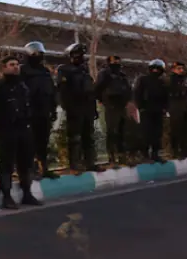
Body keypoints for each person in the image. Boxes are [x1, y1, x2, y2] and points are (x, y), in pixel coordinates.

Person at [0, 56, 42, 209]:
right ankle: (7, 196)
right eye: (11, 65)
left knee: (26, 162)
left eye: (17, 64)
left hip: (24, 129)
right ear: (4, 68)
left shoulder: (23, 86)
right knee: (7, 163)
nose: (15, 67)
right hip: (7, 131)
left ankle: (27, 193)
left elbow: (30, 106)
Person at [56, 43, 103, 173]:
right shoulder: (64, 69)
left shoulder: (84, 70)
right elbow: (62, 91)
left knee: (89, 137)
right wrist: (68, 107)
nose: (80, 57)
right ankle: (75, 164)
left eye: (81, 55)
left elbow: (90, 91)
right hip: (74, 108)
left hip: (87, 108)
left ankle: (90, 162)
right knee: (75, 138)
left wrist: (93, 109)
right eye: (77, 55)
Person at [20, 41, 59, 179]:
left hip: (45, 110)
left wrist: (53, 108)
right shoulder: (23, 70)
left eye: (40, 53)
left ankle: (44, 168)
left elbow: (52, 91)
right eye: (36, 53)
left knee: (43, 141)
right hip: (31, 111)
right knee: (30, 142)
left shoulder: (45, 71)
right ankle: (31, 168)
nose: (39, 56)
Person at [94, 55, 132, 166]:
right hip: (111, 105)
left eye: (118, 61)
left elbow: (128, 89)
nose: (117, 63)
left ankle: (122, 155)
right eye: (114, 61)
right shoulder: (105, 74)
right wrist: (102, 100)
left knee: (122, 131)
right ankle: (112, 157)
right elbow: (97, 88)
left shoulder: (122, 75)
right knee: (112, 132)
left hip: (122, 106)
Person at [133, 59, 169, 163]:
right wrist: (141, 107)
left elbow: (165, 97)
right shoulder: (143, 80)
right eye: (154, 68)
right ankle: (144, 155)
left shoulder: (162, 82)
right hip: (146, 110)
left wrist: (164, 108)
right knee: (146, 133)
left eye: (158, 69)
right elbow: (137, 94)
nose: (155, 71)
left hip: (158, 111)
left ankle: (155, 154)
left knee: (157, 134)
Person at [166, 61, 187, 158]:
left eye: (182, 68)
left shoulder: (185, 79)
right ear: (173, 70)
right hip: (175, 107)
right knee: (176, 129)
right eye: (178, 69)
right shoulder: (170, 80)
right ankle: (175, 150)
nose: (181, 70)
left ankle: (185, 149)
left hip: (185, 106)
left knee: (185, 129)